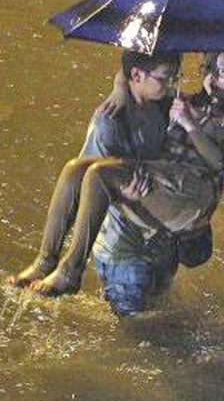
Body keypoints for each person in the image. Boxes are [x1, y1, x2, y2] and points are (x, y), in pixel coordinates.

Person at [10, 51, 224, 316]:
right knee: (75, 169)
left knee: (100, 175)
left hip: (192, 195)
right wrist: (120, 86)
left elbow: (223, 163)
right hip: (160, 180)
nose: (212, 78)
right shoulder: (183, 101)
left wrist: (189, 124)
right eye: (208, 68)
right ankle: (45, 259)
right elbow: (142, 73)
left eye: (223, 72)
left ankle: (71, 270)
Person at [7, 49, 180, 292]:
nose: (171, 84)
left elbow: (137, 68)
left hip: (147, 215)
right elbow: (93, 187)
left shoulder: (160, 105)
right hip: (122, 229)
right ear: (138, 76)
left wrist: (121, 81)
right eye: (165, 78)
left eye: (174, 77)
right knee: (76, 170)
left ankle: (55, 264)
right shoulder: (110, 120)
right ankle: (50, 261)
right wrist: (124, 196)